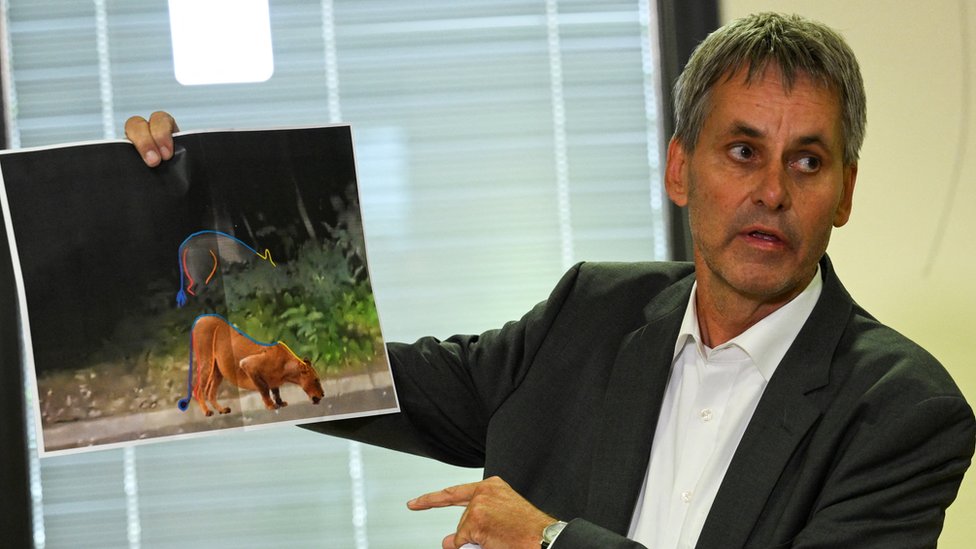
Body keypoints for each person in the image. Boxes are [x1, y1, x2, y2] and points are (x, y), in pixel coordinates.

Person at [126, 12, 975, 549]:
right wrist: (181, 199)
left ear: (847, 191)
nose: (773, 191)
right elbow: (375, 381)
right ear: (680, 168)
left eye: (808, 161)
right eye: (743, 150)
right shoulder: (592, 313)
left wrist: (552, 541)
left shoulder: (904, 411)